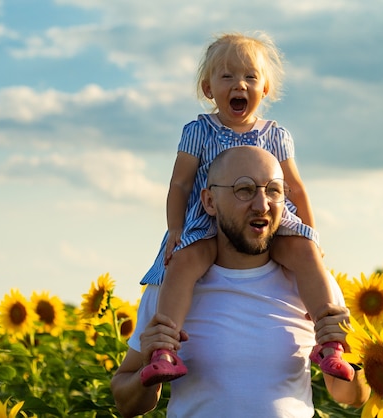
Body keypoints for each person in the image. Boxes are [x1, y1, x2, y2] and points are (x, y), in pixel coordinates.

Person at [139, 31, 353, 386]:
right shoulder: (198, 131)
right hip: (210, 220)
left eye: (250, 76)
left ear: (265, 88)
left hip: (271, 219)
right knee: (183, 263)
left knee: (304, 254)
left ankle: (329, 340)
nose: (240, 84)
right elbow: (179, 184)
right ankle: (165, 348)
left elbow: (295, 187)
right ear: (209, 89)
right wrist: (174, 229)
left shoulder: (276, 135)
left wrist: (311, 236)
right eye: (227, 76)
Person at [111, 146, 370, 417]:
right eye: (244, 190)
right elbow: (126, 404)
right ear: (210, 202)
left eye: (273, 190)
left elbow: (350, 396)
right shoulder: (171, 290)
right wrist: (146, 371)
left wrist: (352, 358)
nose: (262, 204)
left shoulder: (315, 287)